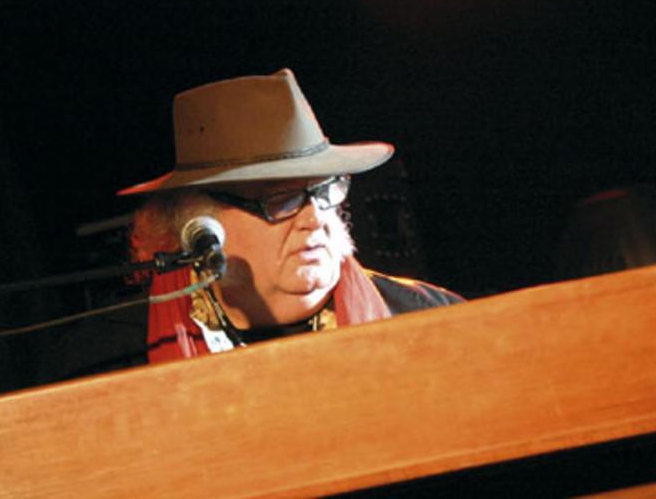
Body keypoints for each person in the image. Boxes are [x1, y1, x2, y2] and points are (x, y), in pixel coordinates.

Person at [116, 68, 464, 364]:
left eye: (325, 190)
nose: (315, 218)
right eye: (281, 199)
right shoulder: (116, 354)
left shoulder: (433, 317)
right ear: (195, 225)